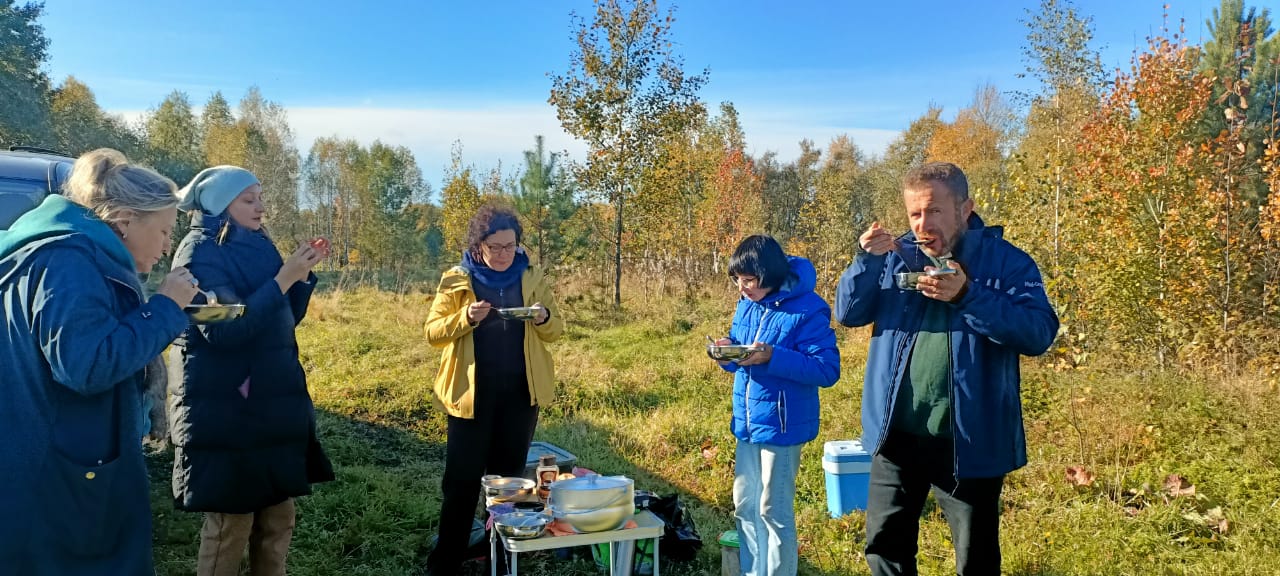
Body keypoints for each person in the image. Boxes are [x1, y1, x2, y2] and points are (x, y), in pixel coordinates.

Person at [835, 162, 1059, 575]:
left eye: (935, 211)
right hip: (896, 436)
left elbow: (1039, 333)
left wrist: (968, 296)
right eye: (915, 214)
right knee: (885, 549)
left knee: (975, 561)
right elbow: (848, 313)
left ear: (965, 208)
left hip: (969, 439)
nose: (923, 224)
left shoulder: (1006, 263)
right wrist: (865, 260)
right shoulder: (895, 257)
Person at [0, 148, 197, 574]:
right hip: (58, 485)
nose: (167, 248)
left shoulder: (71, 254)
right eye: (163, 232)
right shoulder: (67, 263)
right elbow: (86, 366)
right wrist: (164, 307)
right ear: (125, 220)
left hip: (53, 468)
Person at [168, 166, 335, 576]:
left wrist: (300, 275)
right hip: (225, 408)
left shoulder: (259, 243)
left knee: (278, 520)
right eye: (249, 199)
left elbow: (282, 318)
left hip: (269, 402)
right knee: (231, 526)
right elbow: (224, 331)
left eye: (260, 196)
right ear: (220, 206)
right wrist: (282, 279)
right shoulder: (197, 253)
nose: (261, 207)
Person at [423, 203, 563, 575]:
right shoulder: (457, 278)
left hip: (519, 394)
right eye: (495, 247)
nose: (503, 254)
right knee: (462, 482)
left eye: (510, 246)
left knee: (510, 483)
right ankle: (446, 562)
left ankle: (500, 559)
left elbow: (555, 330)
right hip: (471, 395)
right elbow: (433, 332)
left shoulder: (529, 275)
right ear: (478, 245)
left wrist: (543, 316)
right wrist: (465, 318)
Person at [712, 234, 840, 576]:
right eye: (738, 281)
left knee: (773, 510)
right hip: (747, 422)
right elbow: (743, 352)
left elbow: (826, 370)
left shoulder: (808, 308)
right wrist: (727, 352)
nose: (742, 288)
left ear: (769, 275)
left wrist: (772, 356)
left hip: (783, 426)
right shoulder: (748, 303)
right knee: (745, 506)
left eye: (749, 281)